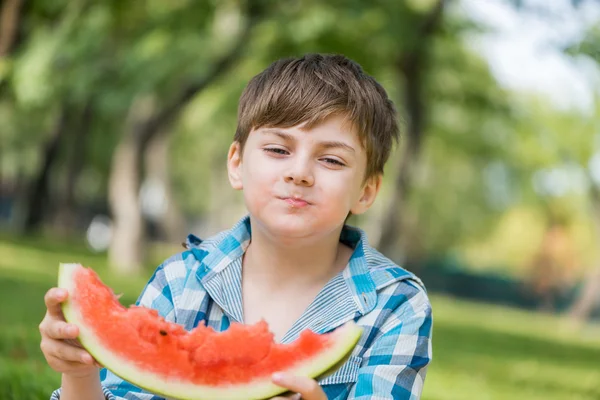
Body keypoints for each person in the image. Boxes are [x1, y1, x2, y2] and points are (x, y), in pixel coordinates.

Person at [40, 53, 433, 400]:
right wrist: (80, 374)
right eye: (278, 150)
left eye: (331, 160)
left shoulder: (395, 306)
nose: (299, 173)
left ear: (366, 191)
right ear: (236, 164)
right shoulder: (180, 281)